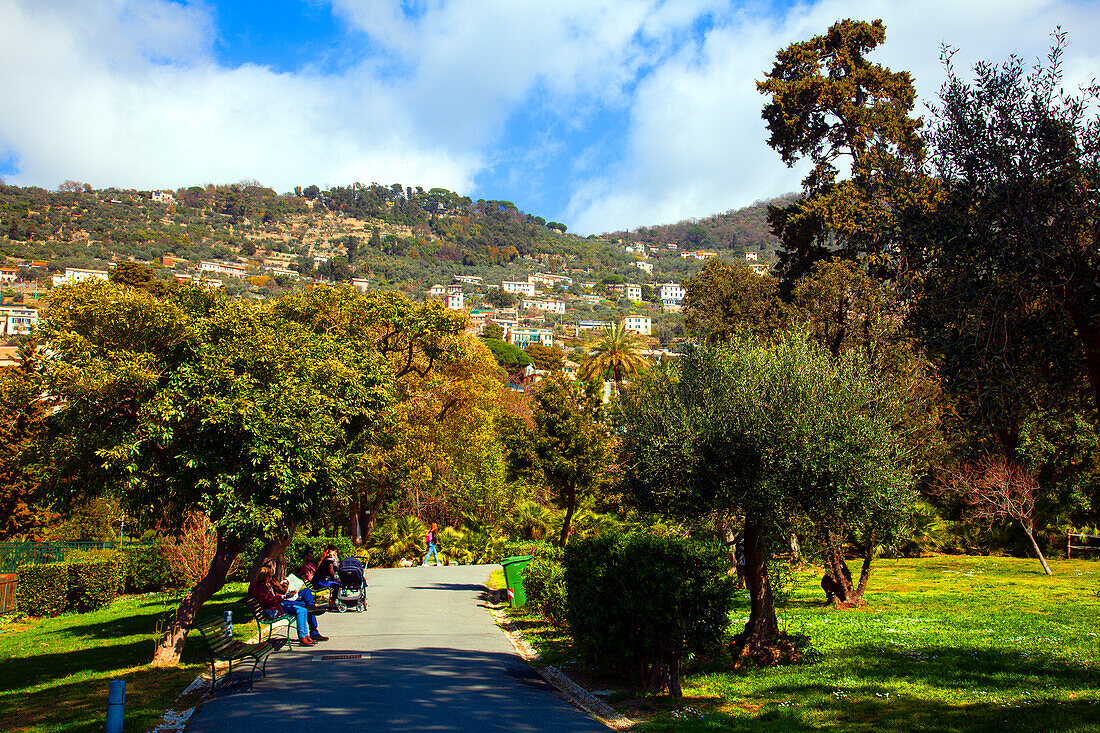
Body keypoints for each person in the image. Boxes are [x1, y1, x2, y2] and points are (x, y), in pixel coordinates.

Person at [249, 565, 327, 645]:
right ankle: (303, 636)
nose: (271, 578)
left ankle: (306, 634)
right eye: (269, 577)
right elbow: (266, 601)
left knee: (305, 604)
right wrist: (281, 597)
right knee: (302, 609)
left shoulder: (266, 585)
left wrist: (285, 586)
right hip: (276, 607)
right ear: (264, 577)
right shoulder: (259, 588)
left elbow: (277, 593)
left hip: (279, 603)